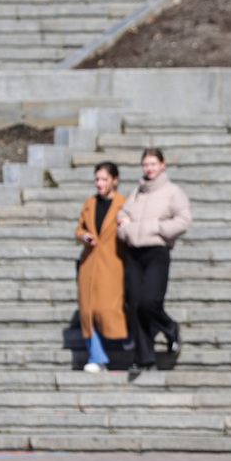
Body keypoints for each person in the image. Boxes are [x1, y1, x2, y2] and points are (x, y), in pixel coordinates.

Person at [117, 147, 191, 374]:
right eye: (146, 164)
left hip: (157, 252)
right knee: (136, 304)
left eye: (153, 164)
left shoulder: (172, 192)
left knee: (150, 301)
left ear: (162, 165)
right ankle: (144, 357)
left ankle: (170, 328)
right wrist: (126, 230)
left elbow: (184, 220)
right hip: (135, 253)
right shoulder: (138, 191)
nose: (149, 168)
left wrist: (157, 228)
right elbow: (122, 216)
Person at [74, 161, 128, 372]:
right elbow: (79, 228)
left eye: (104, 179)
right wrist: (83, 236)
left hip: (112, 264)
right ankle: (97, 357)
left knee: (108, 309)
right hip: (90, 264)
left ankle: (127, 341)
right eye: (97, 179)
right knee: (87, 312)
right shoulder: (89, 203)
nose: (99, 183)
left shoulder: (123, 203)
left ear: (114, 180)